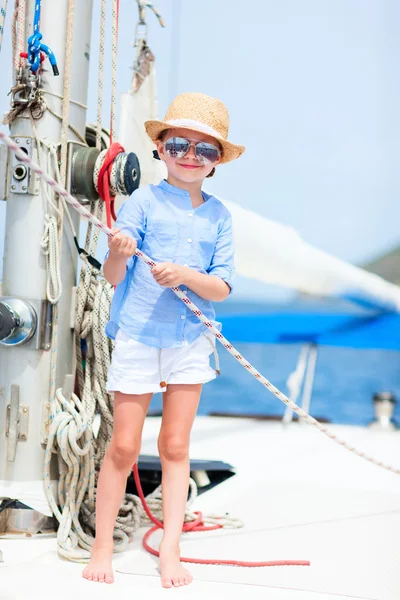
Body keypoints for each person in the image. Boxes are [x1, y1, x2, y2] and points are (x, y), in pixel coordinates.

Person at [82, 92, 245, 588]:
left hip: (190, 339)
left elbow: (221, 286)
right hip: (137, 334)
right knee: (124, 445)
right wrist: (117, 249)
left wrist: (187, 276)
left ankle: (170, 550)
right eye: (179, 145)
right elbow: (114, 276)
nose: (190, 156)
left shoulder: (220, 217)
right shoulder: (141, 203)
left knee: (175, 446)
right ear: (160, 147)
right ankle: (104, 543)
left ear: (217, 162)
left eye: (205, 150)